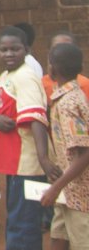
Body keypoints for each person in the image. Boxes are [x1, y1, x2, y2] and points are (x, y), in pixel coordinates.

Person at [0, 26, 61, 250]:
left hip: (27, 164)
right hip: (13, 164)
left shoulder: (26, 77)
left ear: (26, 49)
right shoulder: (6, 76)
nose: (9, 54)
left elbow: (36, 117)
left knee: (24, 223)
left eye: (14, 49)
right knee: (17, 218)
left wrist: (43, 158)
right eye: (4, 50)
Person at [41, 43, 89, 250]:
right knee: (59, 234)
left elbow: (85, 153)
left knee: (81, 241)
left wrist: (56, 187)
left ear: (52, 69)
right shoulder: (67, 98)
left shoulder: (68, 104)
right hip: (68, 190)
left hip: (79, 194)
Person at [41, 31, 89, 103]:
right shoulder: (42, 85)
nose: (62, 53)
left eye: (67, 50)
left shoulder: (85, 84)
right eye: (57, 49)